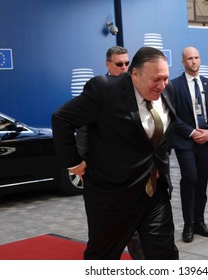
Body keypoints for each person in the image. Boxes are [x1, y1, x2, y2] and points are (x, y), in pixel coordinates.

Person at [52, 46, 179, 260]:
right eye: (156, 79)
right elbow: (62, 118)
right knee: (103, 257)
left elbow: (159, 140)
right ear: (135, 74)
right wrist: (73, 162)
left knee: (164, 254)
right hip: (112, 196)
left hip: (154, 192)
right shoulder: (104, 90)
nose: (162, 85)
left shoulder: (167, 90)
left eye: (165, 78)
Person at [75, 46, 144, 260]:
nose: (124, 68)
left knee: (136, 230)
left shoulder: (136, 88)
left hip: (133, 173)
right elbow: (82, 128)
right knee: (101, 229)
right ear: (107, 64)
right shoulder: (97, 88)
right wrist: (82, 163)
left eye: (127, 63)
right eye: (119, 64)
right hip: (102, 174)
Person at [171, 46, 208, 243]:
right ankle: (188, 225)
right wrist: (192, 132)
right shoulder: (174, 85)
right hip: (185, 142)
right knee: (190, 179)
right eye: (189, 58)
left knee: (202, 184)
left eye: (196, 57)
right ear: (183, 62)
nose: (193, 61)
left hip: (206, 141)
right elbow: (172, 115)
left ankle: (199, 222)